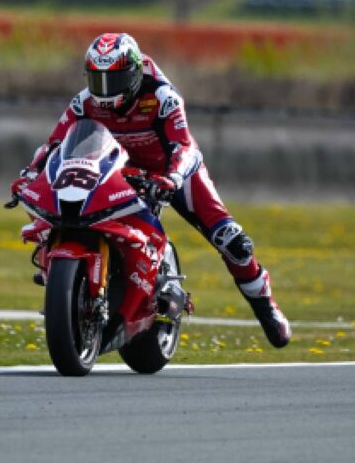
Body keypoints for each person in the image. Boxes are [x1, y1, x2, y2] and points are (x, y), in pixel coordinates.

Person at [15, 33, 291, 348]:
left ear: (133, 74)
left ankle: (267, 307)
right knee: (69, 214)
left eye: (114, 79)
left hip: (172, 171)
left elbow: (184, 146)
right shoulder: (84, 102)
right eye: (97, 79)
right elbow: (54, 145)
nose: (105, 91)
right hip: (119, 172)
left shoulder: (162, 97)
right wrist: (31, 173)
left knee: (233, 241)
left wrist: (172, 178)